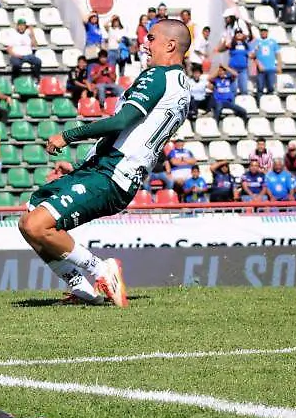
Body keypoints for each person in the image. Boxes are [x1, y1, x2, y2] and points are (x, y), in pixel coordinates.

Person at [21, 19, 192, 307]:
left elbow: (122, 121)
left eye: (151, 38)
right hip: (113, 172)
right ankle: (81, 289)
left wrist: (68, 135)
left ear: (170, 45)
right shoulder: (183, 88)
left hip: (112, 172)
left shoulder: (158, 76)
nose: (145, 44)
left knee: (38, 226)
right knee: (28, 217)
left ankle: (101, 270)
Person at [251, 25, 281, 99]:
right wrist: (258, 64)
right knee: (260, 87)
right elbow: (252, 56)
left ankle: (269, 102)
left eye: (265, 31)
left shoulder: (273, 42)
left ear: (267, 32)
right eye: (262, 31)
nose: (263, 32)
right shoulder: (256, 42)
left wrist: (279, 66)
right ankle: (260, 103)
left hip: (271, 68)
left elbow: (278, 54)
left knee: (271, 87)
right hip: (261, 69)